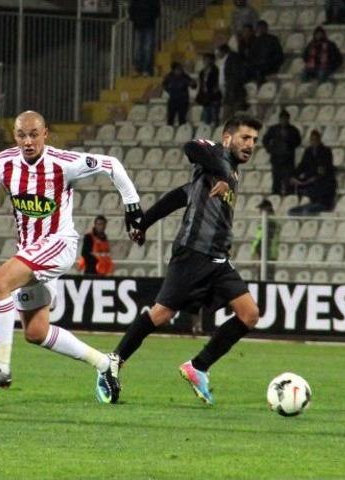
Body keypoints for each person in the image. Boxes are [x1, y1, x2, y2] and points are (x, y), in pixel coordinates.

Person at [0, 111, 139, 404]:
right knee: (36, 332)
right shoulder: (4, 162)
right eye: (22, 135)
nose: (28, 141)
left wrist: (132, 204)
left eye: (34, 134)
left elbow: (112, 164)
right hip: (30, 251)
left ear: (45, 134)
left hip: (59, 244)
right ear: (15, 136)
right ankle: (103, 363)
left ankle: (1, 367)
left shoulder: (63, 163)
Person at [108, 113, 263, 405]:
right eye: (245, 137)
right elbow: (191, 147)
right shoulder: (216, 155)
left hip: (218, 257)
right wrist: (222, 175)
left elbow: (181, 196)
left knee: (249, 314)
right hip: (193, 253)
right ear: (227, 138)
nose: (250, 145)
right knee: (161, 314)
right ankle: (113, 362)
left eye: (254, 140)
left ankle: (198, 367)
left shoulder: (231, 171)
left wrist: (144, 222)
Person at [288, 129, 337, 214]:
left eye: (315, 139)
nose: (314, 142)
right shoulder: (308, 151)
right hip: (312, 187)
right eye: (312, 140)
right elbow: (302, 165)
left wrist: (315, 177)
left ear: (319, 139)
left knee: (307, 211)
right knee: (292, 211)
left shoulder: (325, 151)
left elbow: (324, 168)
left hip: (323, 198)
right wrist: (293, 176)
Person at [262, 110, 301, 195]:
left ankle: (288, 197)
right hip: (276, 159)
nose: (284, 121)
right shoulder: (273, 129)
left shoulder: (293, 130)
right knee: (276, 182)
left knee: (288, 183)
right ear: (279, 119)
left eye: (285, 119)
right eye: (282, 119)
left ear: (288, 119)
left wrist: (289, 143)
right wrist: (270, 149)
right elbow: (265, 140)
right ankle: (275, 197)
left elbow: (298, 142)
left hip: (288, 161)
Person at [216, 44, 247, 122]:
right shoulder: (225, 60)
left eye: (218, 51)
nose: (217, 54)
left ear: (223, 51)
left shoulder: (233, 59)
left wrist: (231, 89)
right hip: (229, 91)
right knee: (228, 116)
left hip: (234, 92)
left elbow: (235, 76)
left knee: (234, 116)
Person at [129, 0, 160, 77]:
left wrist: (134, 18)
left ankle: (144, 69)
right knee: (141, 48)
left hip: (145, 24)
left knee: (145, 48)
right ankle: (141, 69)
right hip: (143, 24)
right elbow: (131, 9)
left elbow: (157, 9)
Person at [161, 62, 197, 126]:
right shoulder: (169, 76)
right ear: (174, 70)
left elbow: (193, 86)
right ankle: (170, 130)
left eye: (180, 69)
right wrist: (169, 90)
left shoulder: (185, 76)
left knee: (182, 119)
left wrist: (193, 84)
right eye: (178, 69)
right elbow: (164, 85)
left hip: (183, 101)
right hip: (172, 100)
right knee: (170, 119)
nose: (180, 70)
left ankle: (182, 130)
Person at [251, 199, 279, 266]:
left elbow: (264, 239)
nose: (260, 211)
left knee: (264, 271)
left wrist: (256, 251)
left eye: (262, 209)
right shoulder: (270, 221)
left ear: (267, 209)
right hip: (267, 253)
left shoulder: (269, 222)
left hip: (266, 254)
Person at [196, 52, 221, 125]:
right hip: (205, 96)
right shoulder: (202, 72)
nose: (205, 61)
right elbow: (201, 85)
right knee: (206, 116)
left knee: (214, 115)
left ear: (211, 60)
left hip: (214, 96)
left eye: (207, 59)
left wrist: (215, 90)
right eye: (204, 59)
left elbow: (217, 83)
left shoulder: (215, 70)